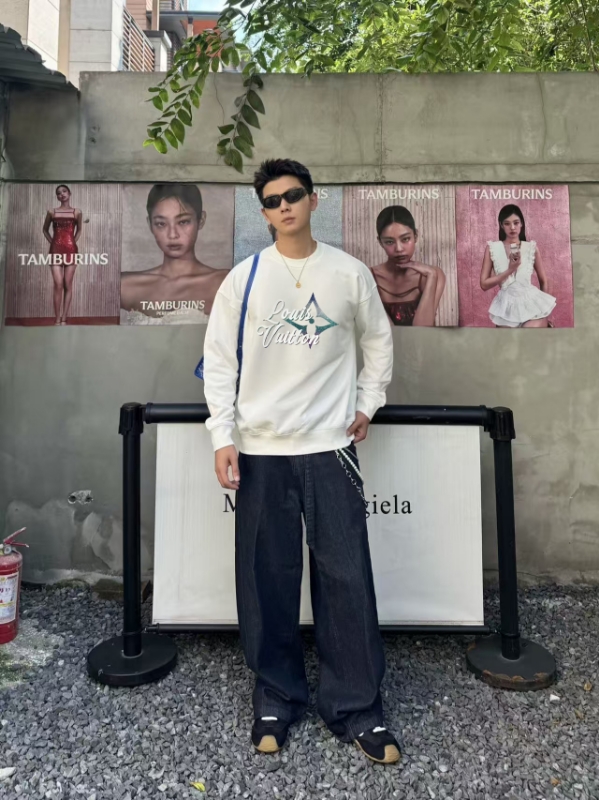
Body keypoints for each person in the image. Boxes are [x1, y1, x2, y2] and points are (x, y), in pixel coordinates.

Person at [203, 159, 400, 765]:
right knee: (267, 578)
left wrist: (368, 401)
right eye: (272, 200)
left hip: (331, 447)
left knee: (346, 576)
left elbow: (378, 339)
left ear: (314, 200)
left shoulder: (348, 272)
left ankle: (357, 707)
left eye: (293, 195)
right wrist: (222, 436)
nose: (284, 206)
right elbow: (219, 360)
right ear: (263, 212)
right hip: (262, 449)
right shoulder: (244, 278)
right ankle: (275, 696)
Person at [120, 184, 229, 324]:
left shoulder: (224, 283)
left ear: (201, 220)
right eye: (161, 224)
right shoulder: (126, 285)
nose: (172, 235)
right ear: (150, 224)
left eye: (183, 222)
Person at [480, 204, 556, 328]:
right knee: (508, 338)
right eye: (507, 223)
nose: (512, 227)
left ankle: (544, 323)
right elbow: (484, 284)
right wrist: (510, 270)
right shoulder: (492, 248)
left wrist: (544, 311)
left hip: (531, 303)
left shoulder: (531, 247)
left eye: (516, 223)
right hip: (506, 307)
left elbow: (543, 281)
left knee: (528, 331)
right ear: (501, 225)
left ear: (521, 224)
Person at [370, 206, 445, 326]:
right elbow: (389, 332)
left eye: (405, 239)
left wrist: (432, 276)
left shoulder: (432, 274)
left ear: (416, 236)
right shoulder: (368, 276)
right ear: (380, 242)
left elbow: (422, 330)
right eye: (389, 242)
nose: (399, 249)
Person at [43, 185, 82, 325]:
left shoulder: (77, 212)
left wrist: (72, 243)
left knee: (67, 284)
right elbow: (45, 230)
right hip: (55, 250)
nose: (62, 194)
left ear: (69, 193)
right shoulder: (51, 212)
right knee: (58, 284)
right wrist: (53, 243)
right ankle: (57, 317)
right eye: (59, 193)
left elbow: (79, 230)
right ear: (57, 197)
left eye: (64, 191)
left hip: (71, 251)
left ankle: (64, 317)